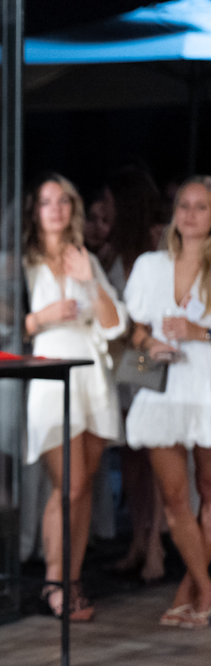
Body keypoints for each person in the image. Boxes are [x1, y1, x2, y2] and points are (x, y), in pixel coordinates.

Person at [23, 173, 127, 620]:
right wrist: (42, 316)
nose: (56, 208)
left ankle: (73, 579)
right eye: (47, 201)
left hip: (91, 376)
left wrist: (90, 280)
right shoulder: (23, 263)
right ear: (35, 210)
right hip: (49, 373)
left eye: (64, 200)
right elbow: (2, 327)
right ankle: (54, 581)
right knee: (70, 483)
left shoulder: (85, 257)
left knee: (84, 488)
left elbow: (115, 324)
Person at [123, 176, 211, 629]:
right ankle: (205, 589)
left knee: (209, 491)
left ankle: (190, 591)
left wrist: (200, 331)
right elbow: (134, 328)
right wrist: (150, 343)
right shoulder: (150, 265)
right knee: (175, 497)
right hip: (164, 389)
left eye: (201, 207)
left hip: (206, 388)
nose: (190, 214)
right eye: (184, 206)